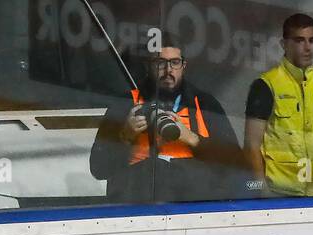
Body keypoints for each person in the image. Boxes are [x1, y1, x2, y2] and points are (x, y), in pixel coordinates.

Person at [89, 32, 244, 204]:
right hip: (138, 208)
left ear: (184, 65)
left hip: (194, 208)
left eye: (175, 62)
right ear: (149, 66)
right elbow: (98, 168)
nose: (168, 70)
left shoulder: (204, 103)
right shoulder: (127, 103)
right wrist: (126, 135)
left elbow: (235, 163)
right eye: (160, 63)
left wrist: (190, 138)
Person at [243, 13, 313, 198]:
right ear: (284, 44)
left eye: (312, 40)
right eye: (299, 40)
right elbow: (251, 146)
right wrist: (260, 191)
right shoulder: (266, 84)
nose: (307, 48)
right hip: (280, 194)